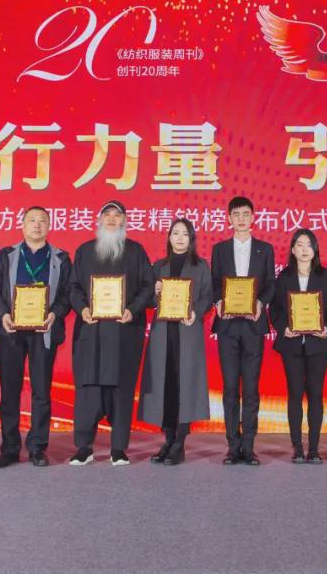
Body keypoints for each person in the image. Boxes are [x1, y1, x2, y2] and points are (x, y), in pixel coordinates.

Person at [0, 206, 71, 468]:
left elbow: (68, 294)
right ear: (22, 225)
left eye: (42, 220)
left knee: (41, 392)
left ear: (49, 226)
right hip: (11, 331)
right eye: (32, 220)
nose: (37, 225)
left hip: (44, 332)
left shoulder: (61, 258)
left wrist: (55, 314)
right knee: (10, 391)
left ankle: (37, 447)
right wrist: (2, 314)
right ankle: (9, 448)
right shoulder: (6, 256)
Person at [68, 201, 154, 466]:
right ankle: (84, 448)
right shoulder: (84, 251)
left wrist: (132, 309)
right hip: (91, 331)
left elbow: (148, 287)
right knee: (88, 389)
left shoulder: (136, 251)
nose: (112, 220)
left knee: (121, 389)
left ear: (124, 221)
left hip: (123, 332)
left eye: (118, 216)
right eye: (107, 215)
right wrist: (82, 309)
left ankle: (118, 448)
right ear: (99, 220)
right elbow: (73, 287)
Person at [138, 219, 212, 466]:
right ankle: (168, 440)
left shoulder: (201, 266)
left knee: (185, 385)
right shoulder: (159, 266)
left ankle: (179, 442)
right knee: (165, 386)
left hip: (187, 332)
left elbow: (207, 296)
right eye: (175, 233)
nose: (180, 238)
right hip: (163, 334)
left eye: (184, 234)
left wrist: (196, 312)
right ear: (169, 237)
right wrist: (155, 292)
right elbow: (148, 300)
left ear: (191, 239)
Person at [210, 196, 276, 466]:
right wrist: (218, 302)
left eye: (245, 214)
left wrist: (260, 303)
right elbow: (215, 282)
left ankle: (248, 446)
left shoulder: (265, 249)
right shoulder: (220, 249)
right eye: (236, 214)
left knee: (250, 387)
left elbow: (270, 283)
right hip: (227, 326)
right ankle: (232, 446)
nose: (240, 218)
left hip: (252, 325)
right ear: (229, 218)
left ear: (252, 218)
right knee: (229, 388)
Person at [269, 229, 327, 464]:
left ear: (315, 249)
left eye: (309, 245)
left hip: (318, 343)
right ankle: (297, 447)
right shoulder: (284, 277)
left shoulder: (326, 277)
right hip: (291, 344)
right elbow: (275, 309)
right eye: (299, 245)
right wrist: (283, 327)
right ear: (292, 250)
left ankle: (314, 448)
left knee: (316, 393)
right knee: (295, 393)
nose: (304, 249)